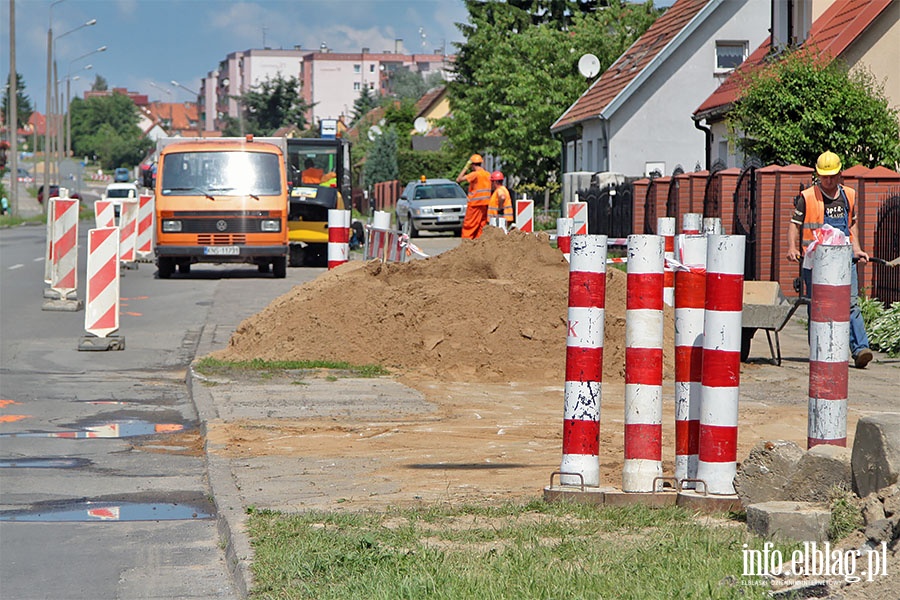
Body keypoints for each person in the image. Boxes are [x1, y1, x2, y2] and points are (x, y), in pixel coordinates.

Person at [787, 150, 873, 368]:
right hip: (816, 260)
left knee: (850, 303)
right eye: (825, 176)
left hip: (844, 259)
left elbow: (852, 225)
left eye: (833, 175)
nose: (829, 180)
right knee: (817, 305)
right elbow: (794, 225)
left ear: (840, 174)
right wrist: (791, 248)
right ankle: (819, 348)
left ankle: (860, 349)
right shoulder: (807, 197)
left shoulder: (849, 196)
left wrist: (857, 250)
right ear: (818, 175)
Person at [456, 153, 492, 239]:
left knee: (469, 225)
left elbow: (459, 179)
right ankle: (478, 242)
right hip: (485, 204)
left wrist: (465, 167)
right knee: (481, 225)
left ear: (472, 164)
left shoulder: (475, 174)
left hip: (474, 204)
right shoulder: (487, 174)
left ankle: (466, 242)